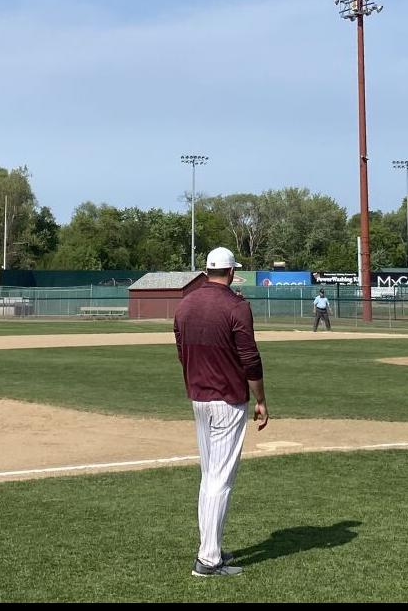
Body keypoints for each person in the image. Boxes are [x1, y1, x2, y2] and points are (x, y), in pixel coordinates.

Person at [174, 247, 268, 578]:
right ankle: (208, 560)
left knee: (209, 476)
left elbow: (180, 347)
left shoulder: (186, 303)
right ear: (230, 272)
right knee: (220, 479)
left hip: (198, 397)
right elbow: (250, 358)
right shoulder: (236, 306)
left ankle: (210, 548)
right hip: (227, 399)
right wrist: (261, 399)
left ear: (207, 271)